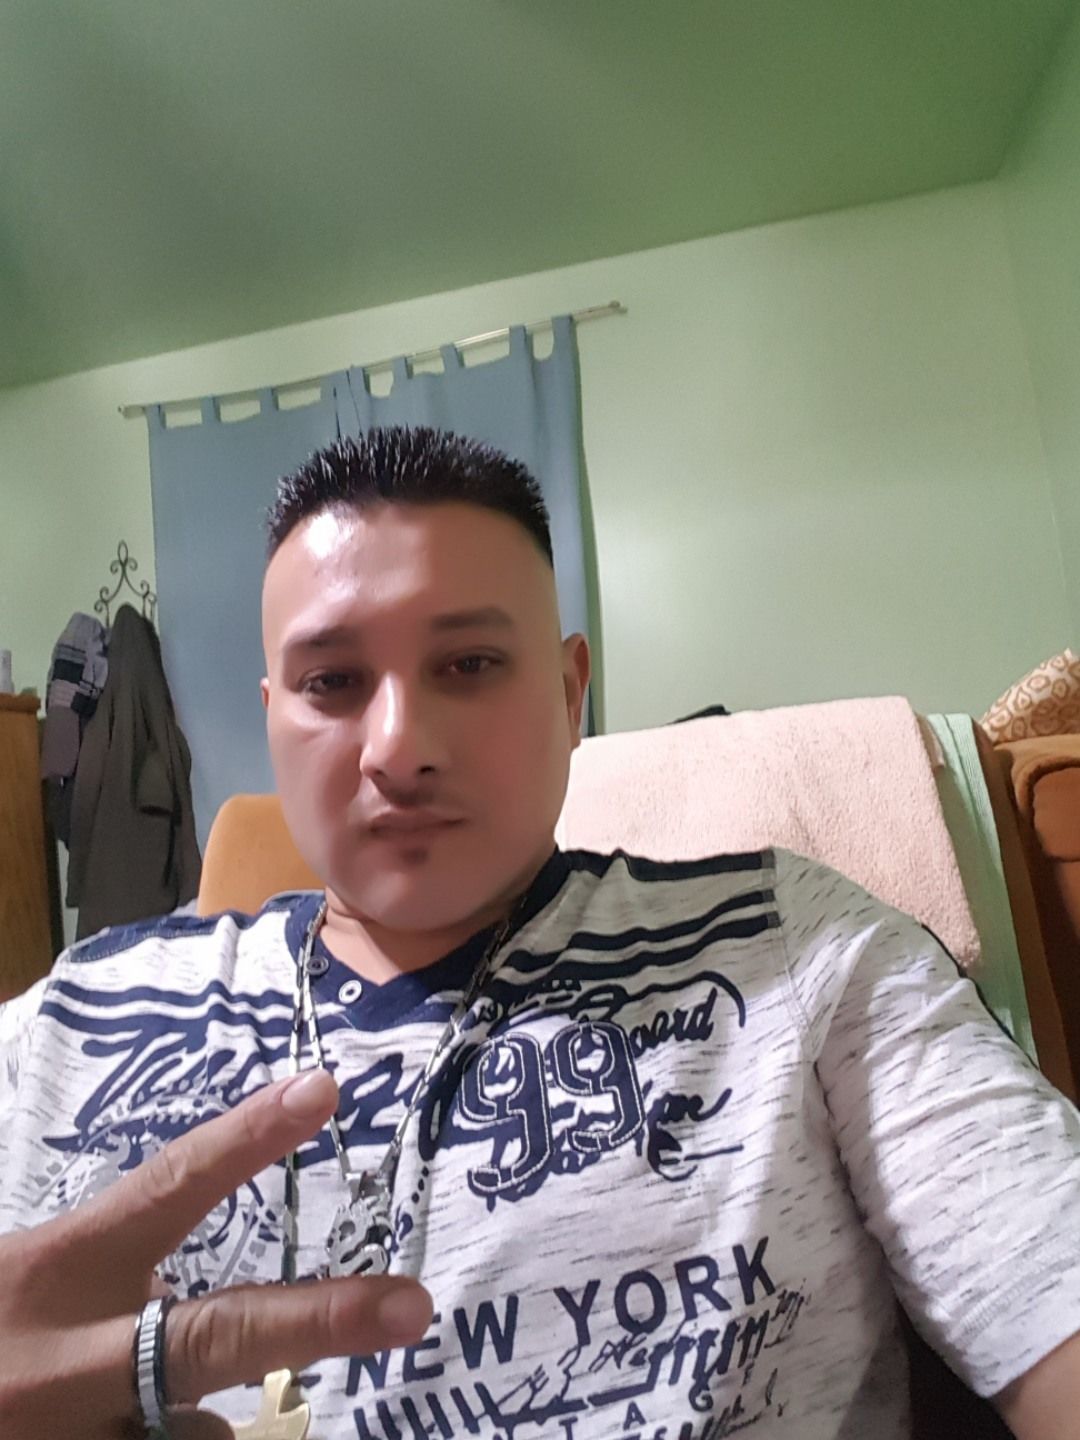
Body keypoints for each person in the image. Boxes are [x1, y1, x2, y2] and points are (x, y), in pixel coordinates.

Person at [1, 424, 1079, 1439]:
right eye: (332, 682)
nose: (398, 749)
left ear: (570, 695)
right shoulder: (72, 1017)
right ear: (273, 716)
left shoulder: (795, 950)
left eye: (469, 664)